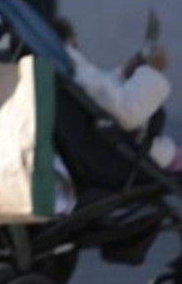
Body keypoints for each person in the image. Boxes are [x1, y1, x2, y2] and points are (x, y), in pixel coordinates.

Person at [52, 18, 182, 172]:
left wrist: (124, 73)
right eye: (75, 46)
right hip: (136, 156)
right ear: (69, 43)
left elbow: (101, 93)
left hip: (122, 151)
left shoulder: (67, 71)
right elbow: (128, 111)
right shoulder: (72, 68)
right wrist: (153, 70)